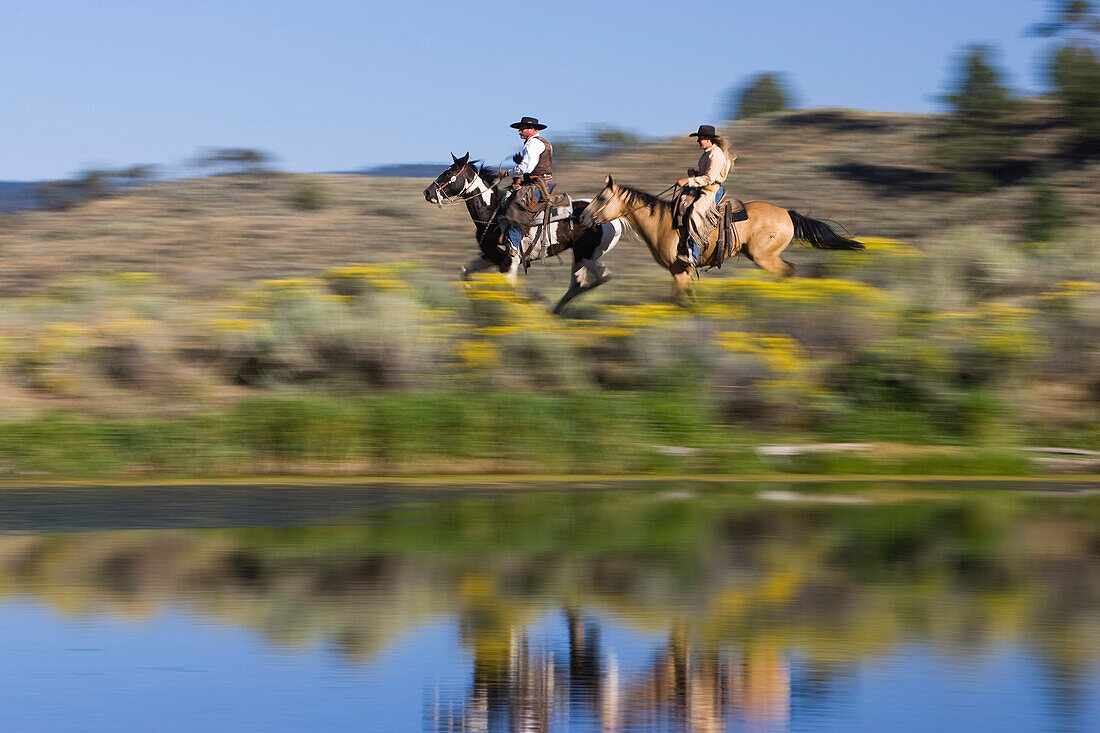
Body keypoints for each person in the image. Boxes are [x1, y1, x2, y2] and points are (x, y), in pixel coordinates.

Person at [498, 116, 555, 279]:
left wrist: (508, 173)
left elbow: (527, 167)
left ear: (531, 129)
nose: (519, 131)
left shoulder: (532, 144)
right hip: (545, 183)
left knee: (514, 206)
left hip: (537, 185)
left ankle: (515, 246)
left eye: (522, 128)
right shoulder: (545, 143)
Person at [675, 124, 734, 267]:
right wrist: (695, 174)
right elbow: (705, 175)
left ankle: (694, 255)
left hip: (711, 190)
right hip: (703, 188)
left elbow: (709, 178)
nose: (698, 142)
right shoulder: (708, 153)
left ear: (708, 139)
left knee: (696, 213)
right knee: (681, 203)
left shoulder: (716, 154)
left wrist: (688, 181)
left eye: (700, 139)